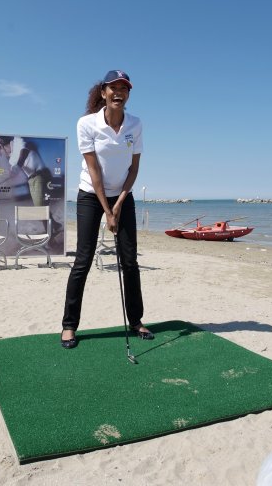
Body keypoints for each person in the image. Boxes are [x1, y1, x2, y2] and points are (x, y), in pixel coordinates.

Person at [61, 70, 154, 349]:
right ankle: (69, 326)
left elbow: (134, 169)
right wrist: (108, 211)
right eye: (113, 88)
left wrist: (120, 203)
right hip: (91, 195)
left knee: (130, 261)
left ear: (128, 95)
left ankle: (136, 321)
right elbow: (94, 172)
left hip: (122, 195)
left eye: (124, 89)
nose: (118, 93)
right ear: (103, 93)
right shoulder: (87, 124)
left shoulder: (135, 124)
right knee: (83, 260)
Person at [0, 136, 52, 207]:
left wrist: (18, 165)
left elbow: (25, 150)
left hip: (40, 175)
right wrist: (11, 174)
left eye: (1, 152)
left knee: (39, 207)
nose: (3, 155)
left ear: (1, 145)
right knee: (41, 206)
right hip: (31, 180)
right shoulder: (11, 160)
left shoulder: (17, 140)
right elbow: (13, 170)